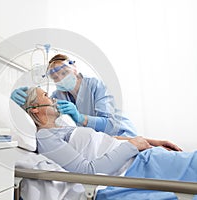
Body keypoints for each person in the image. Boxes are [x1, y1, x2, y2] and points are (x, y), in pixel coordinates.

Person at [21, 86, 197, 199]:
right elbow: (88, 171)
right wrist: (133, 145)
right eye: (45, 95)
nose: (53, 99)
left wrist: (151, 141)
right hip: (135, 167)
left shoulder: (62, 127)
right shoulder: (45, 137)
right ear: (35, 108)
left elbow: (108, 140)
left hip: (143, 156)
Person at [11, 54, 137, 137]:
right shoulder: (57, 95)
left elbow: (111, 124)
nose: (60, 78)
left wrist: (80, 118)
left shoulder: (96, 85)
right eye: (55, 77)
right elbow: (38, 108)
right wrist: (16, 103)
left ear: (74, 68)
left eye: (64, 72)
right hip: (96, 142)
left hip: (121, 135)